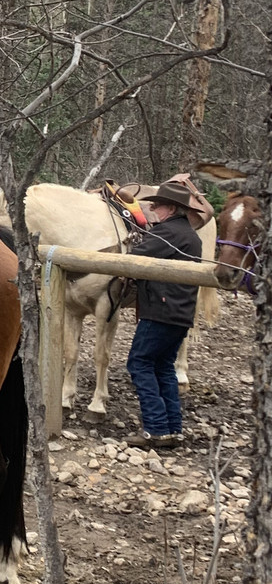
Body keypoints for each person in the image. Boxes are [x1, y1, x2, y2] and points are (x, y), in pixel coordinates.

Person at [123, 180, 202, 449]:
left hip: (161, 311)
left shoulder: (167, 233)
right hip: (180, 314)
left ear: (171, 207)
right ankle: (172, 429)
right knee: (164, 367)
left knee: (139, 363)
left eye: (157, 205)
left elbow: (137, 257)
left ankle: (155, 429)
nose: (154, 209)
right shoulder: (190, 234)